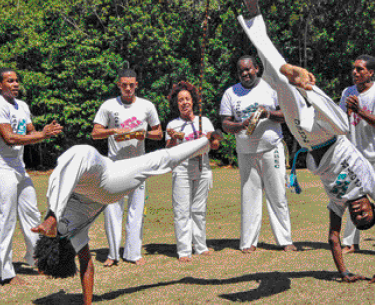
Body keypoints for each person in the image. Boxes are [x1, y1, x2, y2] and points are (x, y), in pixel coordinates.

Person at [239, 0, 375, 282]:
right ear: (370, 205)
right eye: (365, 214)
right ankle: (308, 87)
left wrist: (344, 272)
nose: (359, 213)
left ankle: (254, 14)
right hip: (330, 132)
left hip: (307, 138)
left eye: (357, 218)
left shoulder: (339, 203)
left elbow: (334, 238)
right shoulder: (372, 186)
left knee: (274, 75)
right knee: (344, 125)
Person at [32, 132, 223, 305]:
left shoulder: (75, 239)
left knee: (158, 160)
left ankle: (206, 142)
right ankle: (52, 217)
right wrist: (51, 217)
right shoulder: (68, 231)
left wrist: (87, 304)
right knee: (81, 154)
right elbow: (86, 267)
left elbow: (86, 266)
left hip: (105, 180)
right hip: (104, 182)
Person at [0, 67, 63, 285]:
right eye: (10, 81)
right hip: (1, 168)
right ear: (0, 85)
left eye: (17, 80)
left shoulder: (23, 106)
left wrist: (43, 132)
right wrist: (41, 135)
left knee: (30, 213)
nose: (15, 84)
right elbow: (10, 138)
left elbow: (31, 133)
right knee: (7, 219)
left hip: (18, 167)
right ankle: (6, 272)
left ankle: (36, 260)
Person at [220, 55, 296, 254]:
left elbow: (287, 115)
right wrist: (239, 125)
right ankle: (248, 242)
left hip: (272, 148)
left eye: (249, 69)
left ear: (257, 68)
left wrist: (269, 114)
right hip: (246, 152)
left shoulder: (271, 87)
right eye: (241, 71)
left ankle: (285, 240)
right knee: (249, 196)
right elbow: (225, 123)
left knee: (277, 194)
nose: (245, 73)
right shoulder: (231, 93)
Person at [91, 68, 163, 266]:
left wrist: (145, 134)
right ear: (119, 85)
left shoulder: (147, 106)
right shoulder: (108, 106)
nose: (128, 89)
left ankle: (133, 253)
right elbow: (95, 133)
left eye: (131, 85)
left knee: (136, 209)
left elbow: (159, 133)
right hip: (115, 163)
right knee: (112, 209)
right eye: (124, 85)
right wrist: (113, 130)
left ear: (137, 85)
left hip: (139, 164)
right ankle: (113, 254)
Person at [339, 55, 375, 255]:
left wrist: (359, 111)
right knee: (353, 198)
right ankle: (350, 242)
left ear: (370, 72)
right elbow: (341, 125)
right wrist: (347, 113)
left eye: (360, 69)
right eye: (354, 69)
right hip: (355, 157)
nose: (355, 72)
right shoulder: (347, 92)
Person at [165, 81, 214, 262]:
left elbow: (213, 144)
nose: (184, 102)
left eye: (187, 99)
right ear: (176, 104)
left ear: (193, 101)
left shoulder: (204, 121)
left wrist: (208, 139)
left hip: (202, 167)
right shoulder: (173, 125)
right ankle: (184, 250)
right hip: (182, 169)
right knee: (182, 210)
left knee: (199, 210)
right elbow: (169, 151)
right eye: (180, 100)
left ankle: (200, 246)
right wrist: (171, 137)